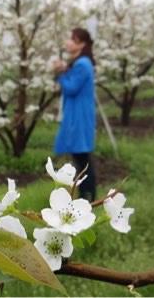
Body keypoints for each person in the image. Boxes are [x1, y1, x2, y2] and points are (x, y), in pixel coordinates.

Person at [52, 27, 97, 201]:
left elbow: (71, 88)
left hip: (79, 116)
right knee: (81, 158)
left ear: (81, 44)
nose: (68, 42)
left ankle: (87, 198)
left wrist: (60, 74)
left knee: (82, 159)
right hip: (78, 113)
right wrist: (65, 70)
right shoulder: (81, 63)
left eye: (73, 39)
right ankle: (85, 197)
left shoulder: (83, 63)